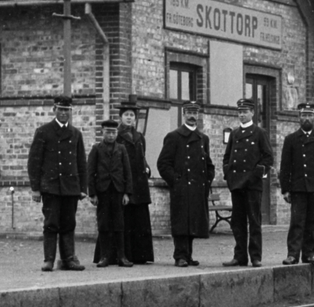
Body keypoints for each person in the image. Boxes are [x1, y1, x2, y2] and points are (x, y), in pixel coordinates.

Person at [27, 95, 88, 271]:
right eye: (60, 109)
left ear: (70, 112)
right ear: (54, 110)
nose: (63, 113)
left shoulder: (76, 134)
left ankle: (69, 259)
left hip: (70, 187)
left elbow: (81, 162)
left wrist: (83, 188)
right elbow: (34, 162)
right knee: (51, 224)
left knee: (69, 224)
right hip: (51, 187)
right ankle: (49, 260)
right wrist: (35, 189)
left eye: (66, 110)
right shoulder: (43, 132)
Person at [156, 100, 215, 268]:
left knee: (193, 222)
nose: (192, 116)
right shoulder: (174, 137)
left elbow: (208, 164)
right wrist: (176, 181)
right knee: (181, 222)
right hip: (182, 188)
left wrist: (207, 181)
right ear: (183, 115)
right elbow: (163, 163)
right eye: (189, 113)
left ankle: (188, 255)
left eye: (195, 113)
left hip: (197, 188)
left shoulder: (203, 138)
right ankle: (180, 256)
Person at [277, 102, 314, 265]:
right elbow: (285, 166)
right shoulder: (291, 139)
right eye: (304, 115)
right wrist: (285, 189)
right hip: (298, 187)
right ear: (299, 118)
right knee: (297, 221)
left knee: (311, 222)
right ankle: (292, 254)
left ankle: (308, 254)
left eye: (309, 115)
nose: (307, 118)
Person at [222, 97, 274, 268]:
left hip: (252, 185)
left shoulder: (260, 133)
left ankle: (255, 257)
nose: (242, 115)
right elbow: (227, 157)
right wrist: (228, 174)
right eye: (240, 112)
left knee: (254, 221)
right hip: (237, 184)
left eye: (245, 111)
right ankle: (239, 256)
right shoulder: (235, 134)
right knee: (237, 222)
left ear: (252, 113)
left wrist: (256, 175)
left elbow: (268, 158)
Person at [87, 119, 134, 267]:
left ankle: (121, 256)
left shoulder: (121, 149)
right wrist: (92, 193)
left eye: (113, 132)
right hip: (102, 192)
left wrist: (127, 193)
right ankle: (104, 256)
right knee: (103, 224)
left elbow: (127, 172)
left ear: (117, 133)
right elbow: (90, 172)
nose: (111, 135)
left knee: (119, 224)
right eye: (108, 132)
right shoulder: (96, 149)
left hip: (118, 191)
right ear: (103, 132)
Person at [117, 100, 155, 264]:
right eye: (126, 115)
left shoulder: (140, 137)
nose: (129, 118)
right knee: (125, 219)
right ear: (120, 117)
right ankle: (124, 254)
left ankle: (141, 255)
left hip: (139, 184)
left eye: (132, 115)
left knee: (139, 219)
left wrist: (147, 168)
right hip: (125, 183)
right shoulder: (117, 136)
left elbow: (142, 157)